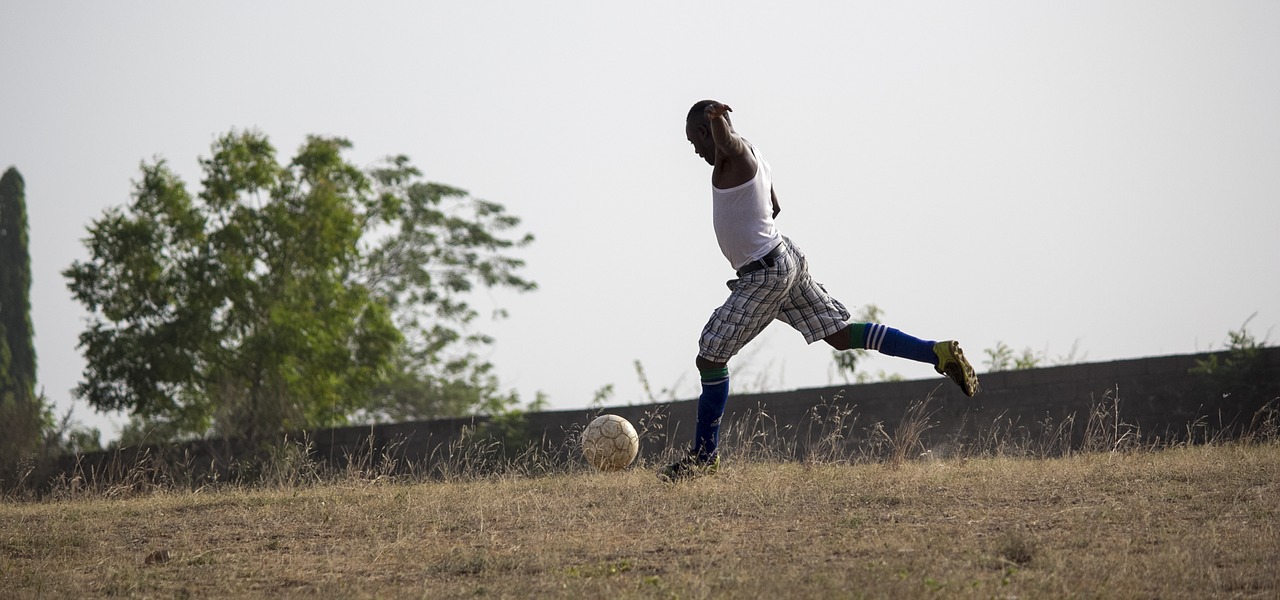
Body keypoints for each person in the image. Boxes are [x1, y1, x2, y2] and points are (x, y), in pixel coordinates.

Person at [659, 100, 979, 482]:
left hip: (765, 273)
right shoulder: (753, 156)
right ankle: (936, 353)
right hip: (784, 258)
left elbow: (727, 143)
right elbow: (775, 204)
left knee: (710, 357)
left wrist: (716, 121)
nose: (695, 150)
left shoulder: (735, 153)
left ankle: (704, 457)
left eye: (695, 141)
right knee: (841, 336)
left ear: (704, 132)